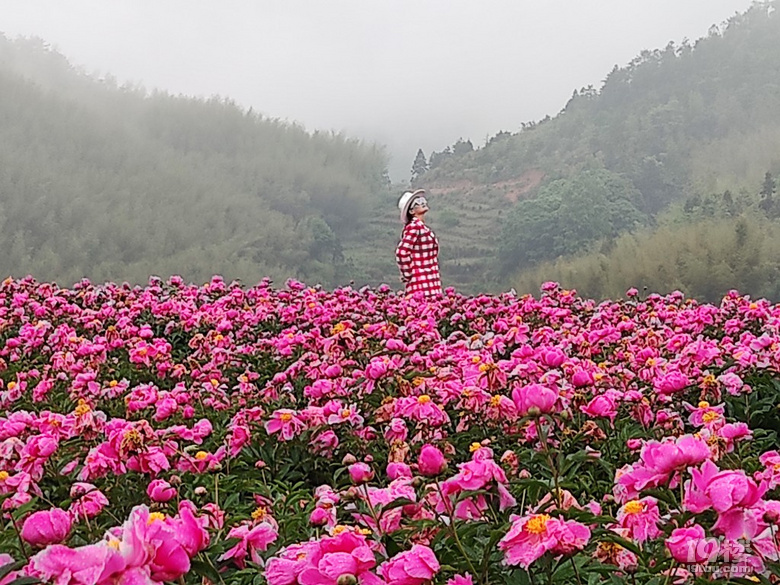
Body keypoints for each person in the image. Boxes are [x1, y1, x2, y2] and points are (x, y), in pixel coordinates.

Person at [395, 189, 442, 299]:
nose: (422, 203)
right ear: (411, 211)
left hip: (431, 280)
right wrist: (408, 274)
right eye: (418, 203)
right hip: (420, 282)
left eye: (422, 200)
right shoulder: (414, 226)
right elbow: (402, 252)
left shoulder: (422, 227)